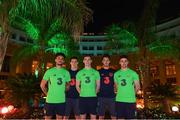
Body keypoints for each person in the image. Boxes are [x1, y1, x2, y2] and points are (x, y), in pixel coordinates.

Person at [40, 53, 71, 120]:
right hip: (50, 100)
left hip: (61, 100)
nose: (60, 60)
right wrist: (47, 94)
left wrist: (64, 90)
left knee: (59, 118)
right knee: (47, 118)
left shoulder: (66, 72)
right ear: (55, 60)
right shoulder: (49, 71)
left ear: (63, 61)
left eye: (62, 59)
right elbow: (42, 85)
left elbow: (68, 85)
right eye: (58, 58)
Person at [76, 55, 100, 119]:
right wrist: (81, 93)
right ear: (83, 61)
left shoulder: (96, 72)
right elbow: (77, 86)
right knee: (83, 116)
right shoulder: (79, 73)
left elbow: (98, 85)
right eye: (85, 59)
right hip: (83, 98)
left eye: (89, 59)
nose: (87, 61)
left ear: (91, 61)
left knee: (93, 116)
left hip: (93, 97)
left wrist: (94, 93)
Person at [97, 55, 116, 119]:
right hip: (101, 96)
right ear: (102, 61)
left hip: (112, 96)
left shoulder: (114, 72)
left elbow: (116, 83)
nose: (106, 62)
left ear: (109, 61)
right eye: (104, 60)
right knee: (101, 115)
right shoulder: (98, 72)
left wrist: (116, 90)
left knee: (114, 115)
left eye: (107, 60)